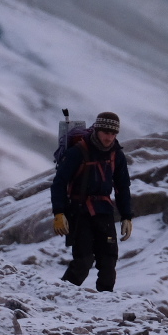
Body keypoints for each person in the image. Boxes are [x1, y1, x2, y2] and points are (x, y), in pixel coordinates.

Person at [52, 111, 132, 291]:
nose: (109, 138)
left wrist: (127, 215)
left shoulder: (116, 155)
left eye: (113, 134)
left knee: (109, 260)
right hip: (79, 211)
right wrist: (59, 212)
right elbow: (59, 183)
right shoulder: (78, 152)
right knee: (83, 261)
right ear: (97, 130)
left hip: (104, 211)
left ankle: (105, 301)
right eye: (106, 133)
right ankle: (61, 296)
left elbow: (123, 186)